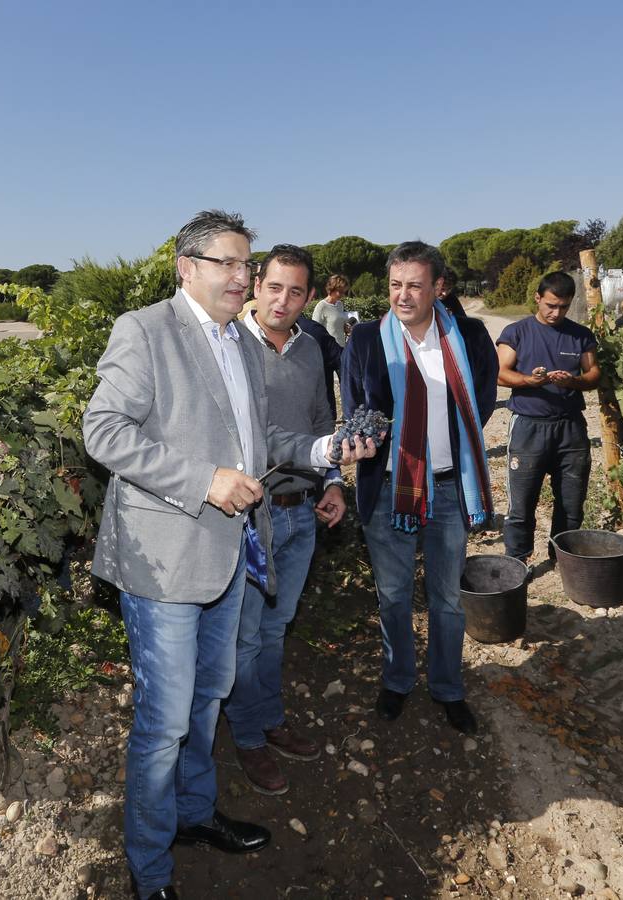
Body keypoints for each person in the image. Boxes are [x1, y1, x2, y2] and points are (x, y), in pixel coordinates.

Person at [83, 210, 375, 900]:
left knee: (209, 698)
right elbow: (101, 429)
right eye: (231, 264)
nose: (244, 278)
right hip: (164, 560)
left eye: (248, 266)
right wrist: (203, 480)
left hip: (233, 555)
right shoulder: (145, 330)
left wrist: (323, 452)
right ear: (187, 267)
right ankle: (149, 871)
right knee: (163, 720)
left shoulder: (239, 342)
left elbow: (263, 436)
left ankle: (193, 815)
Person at [341, 241, 498, 735]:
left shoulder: (469, 335)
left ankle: (448, 688)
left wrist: (439, 448)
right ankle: (398, 680)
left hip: (450, 488)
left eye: (414, 285)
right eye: (394, 285)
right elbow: (355, 406)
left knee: (447, 598)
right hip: (390, 489)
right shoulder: (366, 339)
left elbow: (485, 399)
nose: (402, 295)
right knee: (392, 595)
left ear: (438, 288)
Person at [227, 244, 346, 795]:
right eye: (274, 287)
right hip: (253, 519)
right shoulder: (230, 345)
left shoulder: (309, 349)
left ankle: (268, 719)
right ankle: (248, 737)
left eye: (296, 291)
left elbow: (325, 418)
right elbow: (257, 436)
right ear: (256, 285)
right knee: (247, 637)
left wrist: (336, 483)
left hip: (303, 515)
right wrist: (321, 452)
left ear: (310, 297)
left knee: (276, 630)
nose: (283, 300)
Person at [496, 272, 600, 565]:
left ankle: (564, 560)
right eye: (550, 305)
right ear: (537, 298)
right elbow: (501, 372)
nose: (556, 313)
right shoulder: (516, 332)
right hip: (529, 426)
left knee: (571, 501)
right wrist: (530, 380)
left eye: (563, 307)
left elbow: (593, 374)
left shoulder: (580, 335)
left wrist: (573, 382)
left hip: (570, 427)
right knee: (521, 504)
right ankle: (517, 562)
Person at [295, 315, 343, 419]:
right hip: (320, 413)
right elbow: (343, 363)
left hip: (318, 415)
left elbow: (341, 362)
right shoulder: (313, 329)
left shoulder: (312, 330)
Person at [312, 273, 351, 346]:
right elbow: (315, 330)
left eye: (344, 292)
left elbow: (336, 325)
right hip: (328, 350)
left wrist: (345, 328)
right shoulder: (321, 306)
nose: (342, 295)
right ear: (332, 288)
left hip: (341, 348)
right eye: (340, 292)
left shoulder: (340, 305)